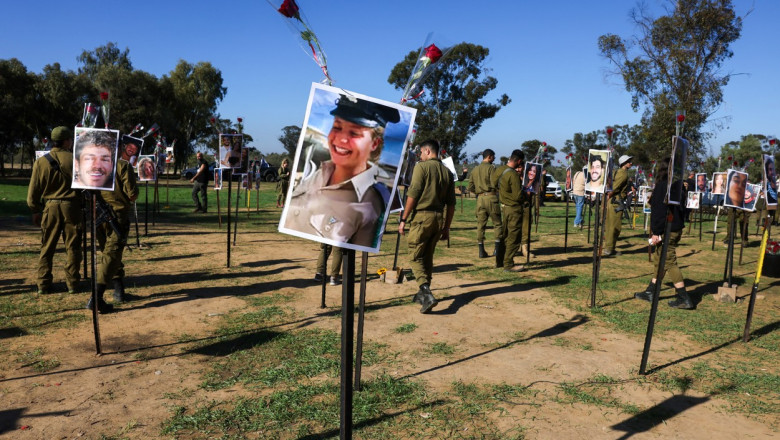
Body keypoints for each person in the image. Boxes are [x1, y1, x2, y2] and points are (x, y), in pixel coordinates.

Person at [284, 94, 399, 248]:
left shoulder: (370, 203)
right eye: (337, 127)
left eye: (354, 133)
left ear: (374, 143)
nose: (341, 139)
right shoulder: (319, 173)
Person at [398, 139, 456, 313]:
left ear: (428, 152)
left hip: (422, 218)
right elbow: (451, 204)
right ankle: (424, 297)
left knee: (415, 255)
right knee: (427, 257)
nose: (420, 156)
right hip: (438, 218)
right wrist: (446, 227)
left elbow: (413, 194)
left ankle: (425, 290)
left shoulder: (421, 168)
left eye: (422, 153)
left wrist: (403, 219)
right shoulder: (447, 172)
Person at [27, 126, 83, 295]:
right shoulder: (75, 160)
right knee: (72, 246)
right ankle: (72, 283)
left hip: (50, 207)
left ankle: (43, 283)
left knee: (47, 246)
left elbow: (33, 192)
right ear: (66, 141)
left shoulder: (41, 162)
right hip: (71, 206)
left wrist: (35, 209)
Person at [634, 157, 693, 309]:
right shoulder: (677, 186)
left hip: (668, 229)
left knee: (670, 262)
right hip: (674, 228)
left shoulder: (664, 186)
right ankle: (651, 291)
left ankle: (683, 297)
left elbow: (659, 211)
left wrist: (656, 232)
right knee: (660, 259)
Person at [90, 154, 139, 312]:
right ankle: (97, 297)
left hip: (97, 215)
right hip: (117, 216)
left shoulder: (90, 164)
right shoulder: (122, 165)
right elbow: (132, 194)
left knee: (109, 253)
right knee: (111, 255)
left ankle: (119, 290)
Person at [467, 148, 502, 259]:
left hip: (480, 199)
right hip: (491, 197)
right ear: (489, 156)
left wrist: (479, 192)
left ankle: (481, 251)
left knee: (480, 225)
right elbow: (495, 183)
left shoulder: (475, 169)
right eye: (493, 157)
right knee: (497, 224)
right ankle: (497, 249)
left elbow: (470, 187)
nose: (494, 159)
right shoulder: (492, 168)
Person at [497, 152, 527, 272]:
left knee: (505, 235)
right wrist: (526, 193)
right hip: (514, 209)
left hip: (504, 207)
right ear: (519, 161)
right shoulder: (513, 175)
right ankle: (508, 264)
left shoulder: (500, 171)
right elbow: (517, 196)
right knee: (514, 237)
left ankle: (500, 261)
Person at [604, 155, 632, 256]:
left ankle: (609, 247)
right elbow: (614, 188)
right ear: (624, 163)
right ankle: (609, 248)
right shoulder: (623, 173)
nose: (631, 163)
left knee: (610, 224)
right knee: (615, 226)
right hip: (616, 202)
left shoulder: (616, 171)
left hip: (613, 201)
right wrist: (608, 196)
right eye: (629, 161)